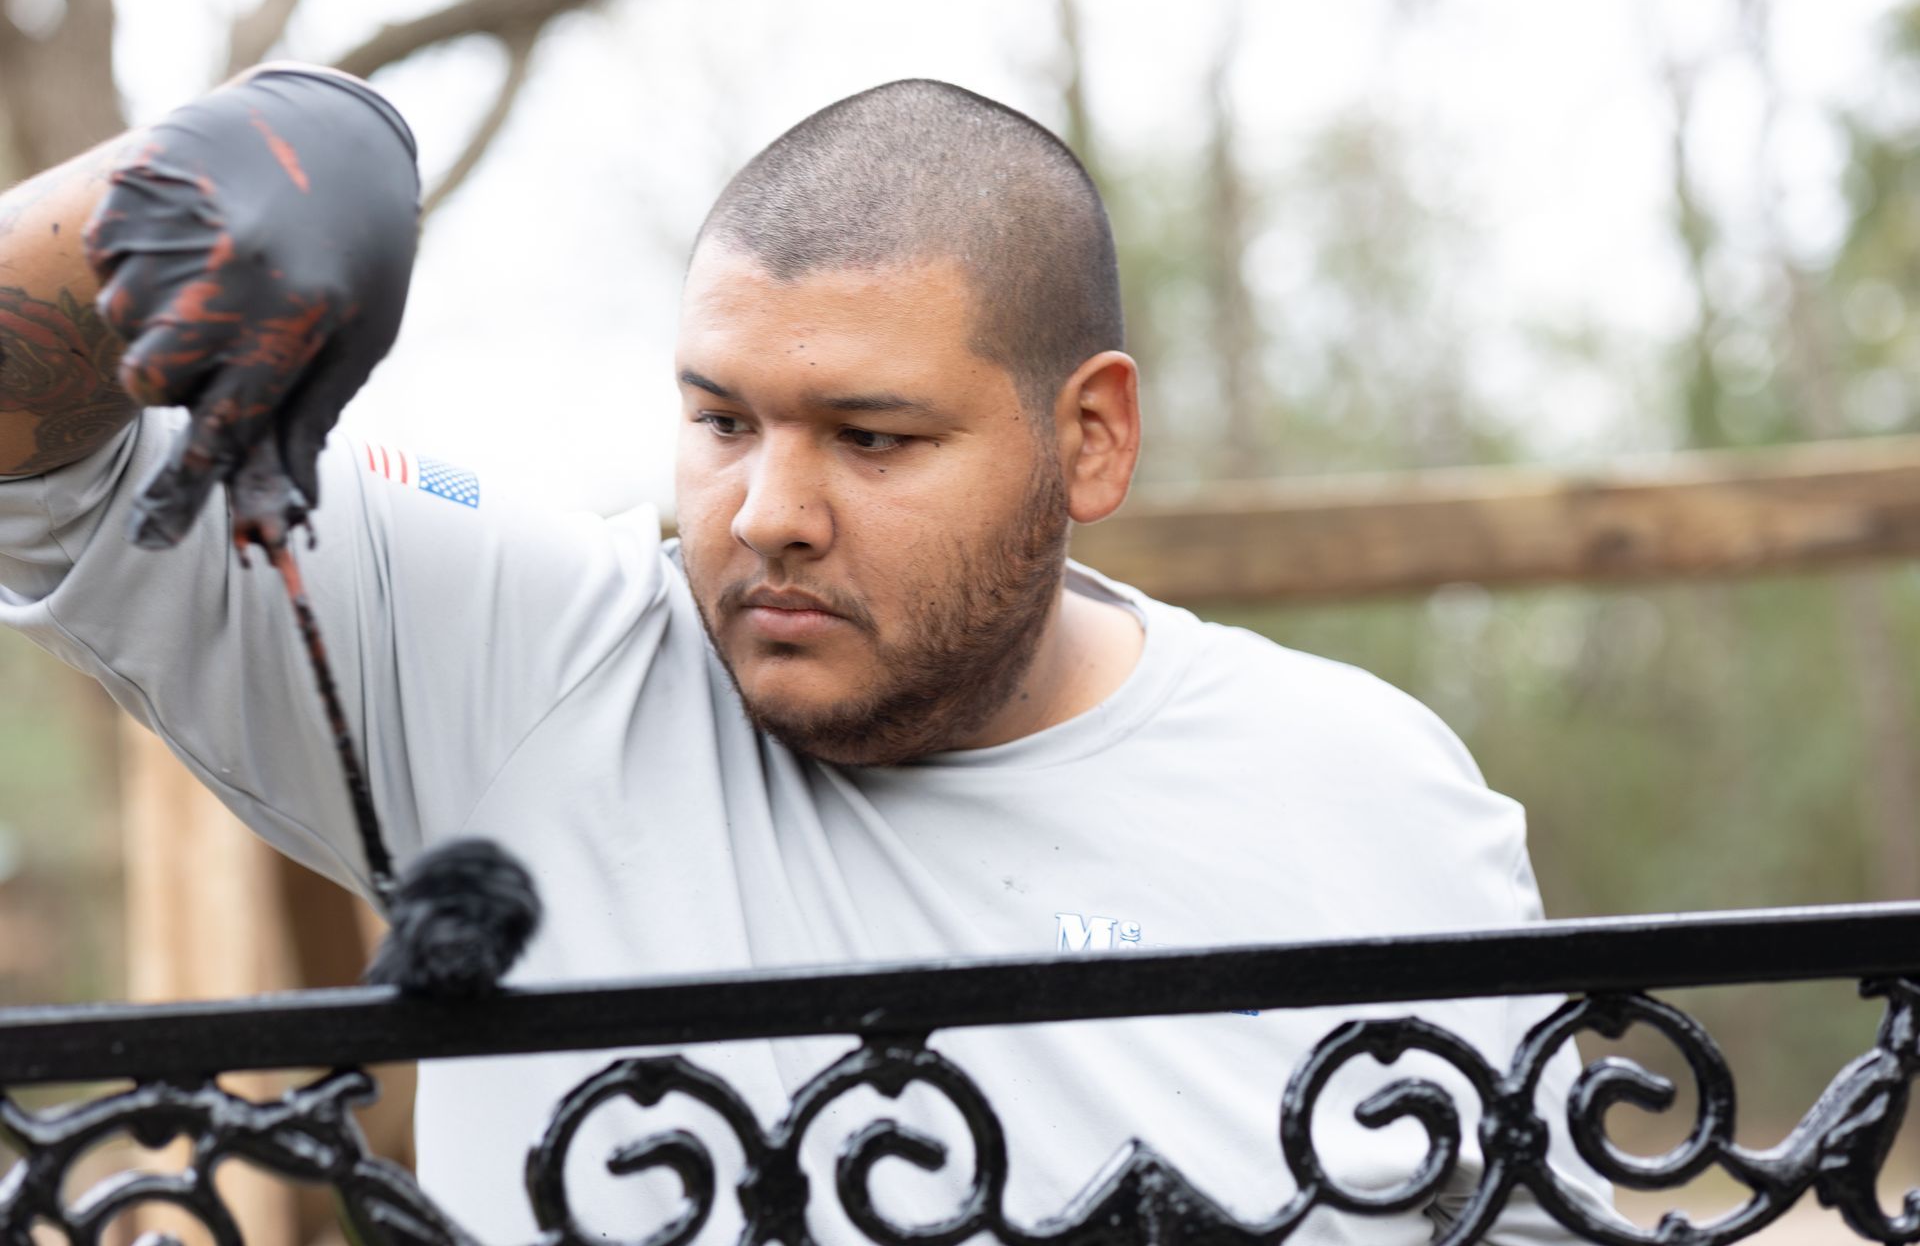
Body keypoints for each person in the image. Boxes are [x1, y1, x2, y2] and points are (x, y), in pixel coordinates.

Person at [0, 67, 1615, 1241]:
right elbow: (47, 473)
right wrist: (195, 175)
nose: (767, 512)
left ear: (1093, 440)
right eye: (720, 421)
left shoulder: (1369, 795)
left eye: (873, 434)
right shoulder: (526, 661)